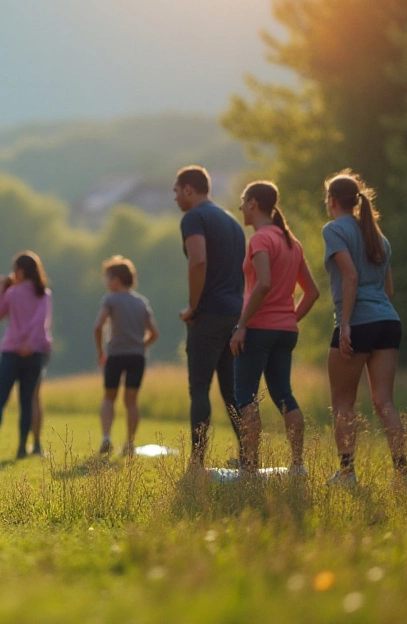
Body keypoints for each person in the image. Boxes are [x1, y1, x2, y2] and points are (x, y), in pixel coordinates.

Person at [227, 182, 319, 475]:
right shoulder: (292, 241)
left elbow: (263, 283)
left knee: (246, 397)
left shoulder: (260, 240)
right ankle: (297, 466)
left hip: (257, 329)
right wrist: (289, 318)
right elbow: (312, 292)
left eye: (243, 202)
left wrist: (242, 325)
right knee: (284, 395)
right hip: (285, 332)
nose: (241, 207)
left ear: (253, 203)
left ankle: (250, 470)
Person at [322, 171, 406, 485]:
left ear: (331, 201)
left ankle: (346, 474)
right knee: (384, 402)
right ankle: (402, 475)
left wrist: (345, 325)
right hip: (388, 321)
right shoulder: (378, 237)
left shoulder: (334, 230)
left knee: (343, 402)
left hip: (357, 322)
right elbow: (389, 291)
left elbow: (351, 277)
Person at [174, 165, 246, 469]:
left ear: (189, 189)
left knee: (200, 388)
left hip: (210, 314)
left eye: (177, 191)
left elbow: (198, 261)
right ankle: (248, 457)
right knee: (232, 392)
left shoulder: (194, 218)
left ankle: (197, 462)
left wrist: (193, 306)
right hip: (235, 314)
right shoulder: (231, 220)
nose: (175, 198)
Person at [0, 251, 53, 462]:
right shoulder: (43, 294)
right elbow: (40, 320)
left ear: (20, 271)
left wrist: (1, 290)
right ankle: (21, 449)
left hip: (11, 351)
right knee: (27, 401)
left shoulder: (13, 292)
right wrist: (31, 343)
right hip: (34, 353)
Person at [92, 256, 159, 458]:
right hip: (137, 357)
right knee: (131, 401)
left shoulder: (110, 300)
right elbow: (154, 332)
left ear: (116, 280)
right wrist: (141, 346)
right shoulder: (141, 302)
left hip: (115, 355)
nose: (105, 282)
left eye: (107, 277)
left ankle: (106, 438)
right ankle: (129, 443)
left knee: (109, 397)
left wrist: (100, 352)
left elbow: (98, 326)